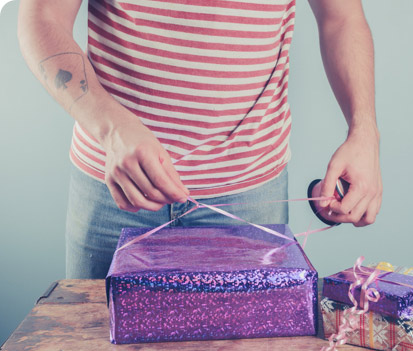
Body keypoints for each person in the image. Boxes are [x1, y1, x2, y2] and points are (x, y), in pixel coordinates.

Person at [17, 0, 382, 279]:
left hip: (250, 197)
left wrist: (364, 131)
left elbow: (341, 17)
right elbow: (42, 16)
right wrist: (111, 128)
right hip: (113, 192)